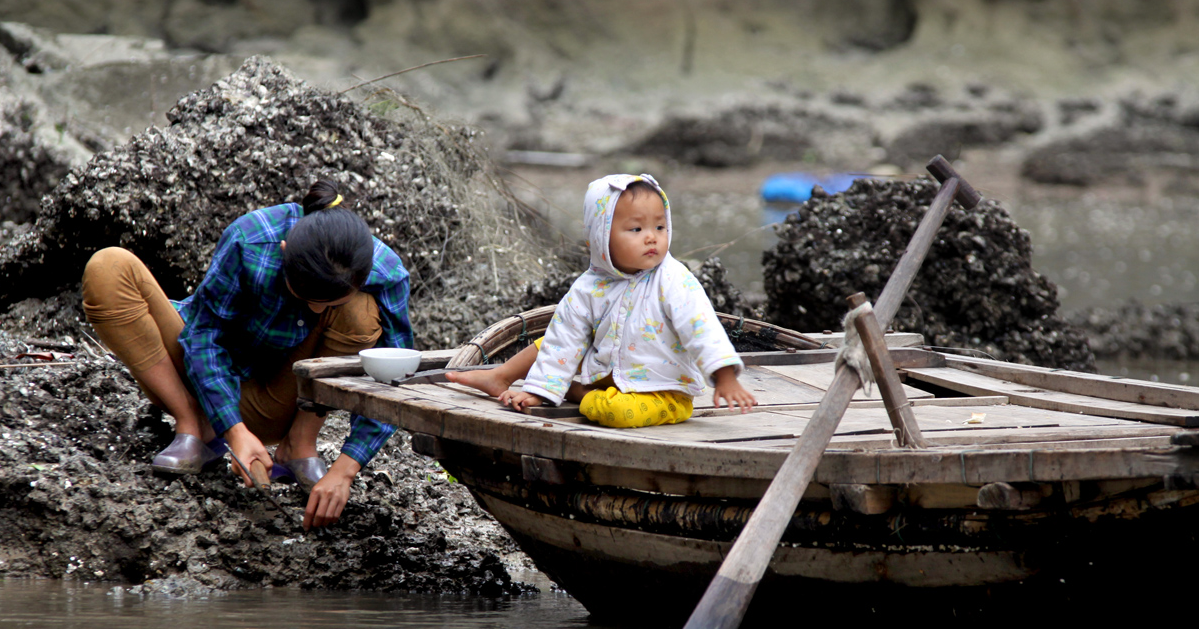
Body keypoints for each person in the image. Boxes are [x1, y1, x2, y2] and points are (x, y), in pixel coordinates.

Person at [81, 180, 412, 529]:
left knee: (359, 312)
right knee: (109, 267)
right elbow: (204, 337)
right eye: (303, 295)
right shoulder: (251, 240)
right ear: (284, 251)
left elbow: (394, 377)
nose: (316, 307)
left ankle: (299, 445)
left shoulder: (385, 273)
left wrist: (345, 470)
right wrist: (233, 431)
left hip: (277, 402)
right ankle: (194, 425)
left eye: (329, 303)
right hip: (195, 379)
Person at [448, 174, 755, 426]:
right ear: (600, 237)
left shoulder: (674, 279)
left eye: (659, 227)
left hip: (659, 391)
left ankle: (574, 391)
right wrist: (541, 393)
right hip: (606, 371)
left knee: (617, 413)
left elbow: (701, 327)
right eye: (636, 229)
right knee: (552, 341)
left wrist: (724, 376)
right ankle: (500, 377)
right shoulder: (589, 287)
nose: (651, 237)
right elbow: (565, 339)